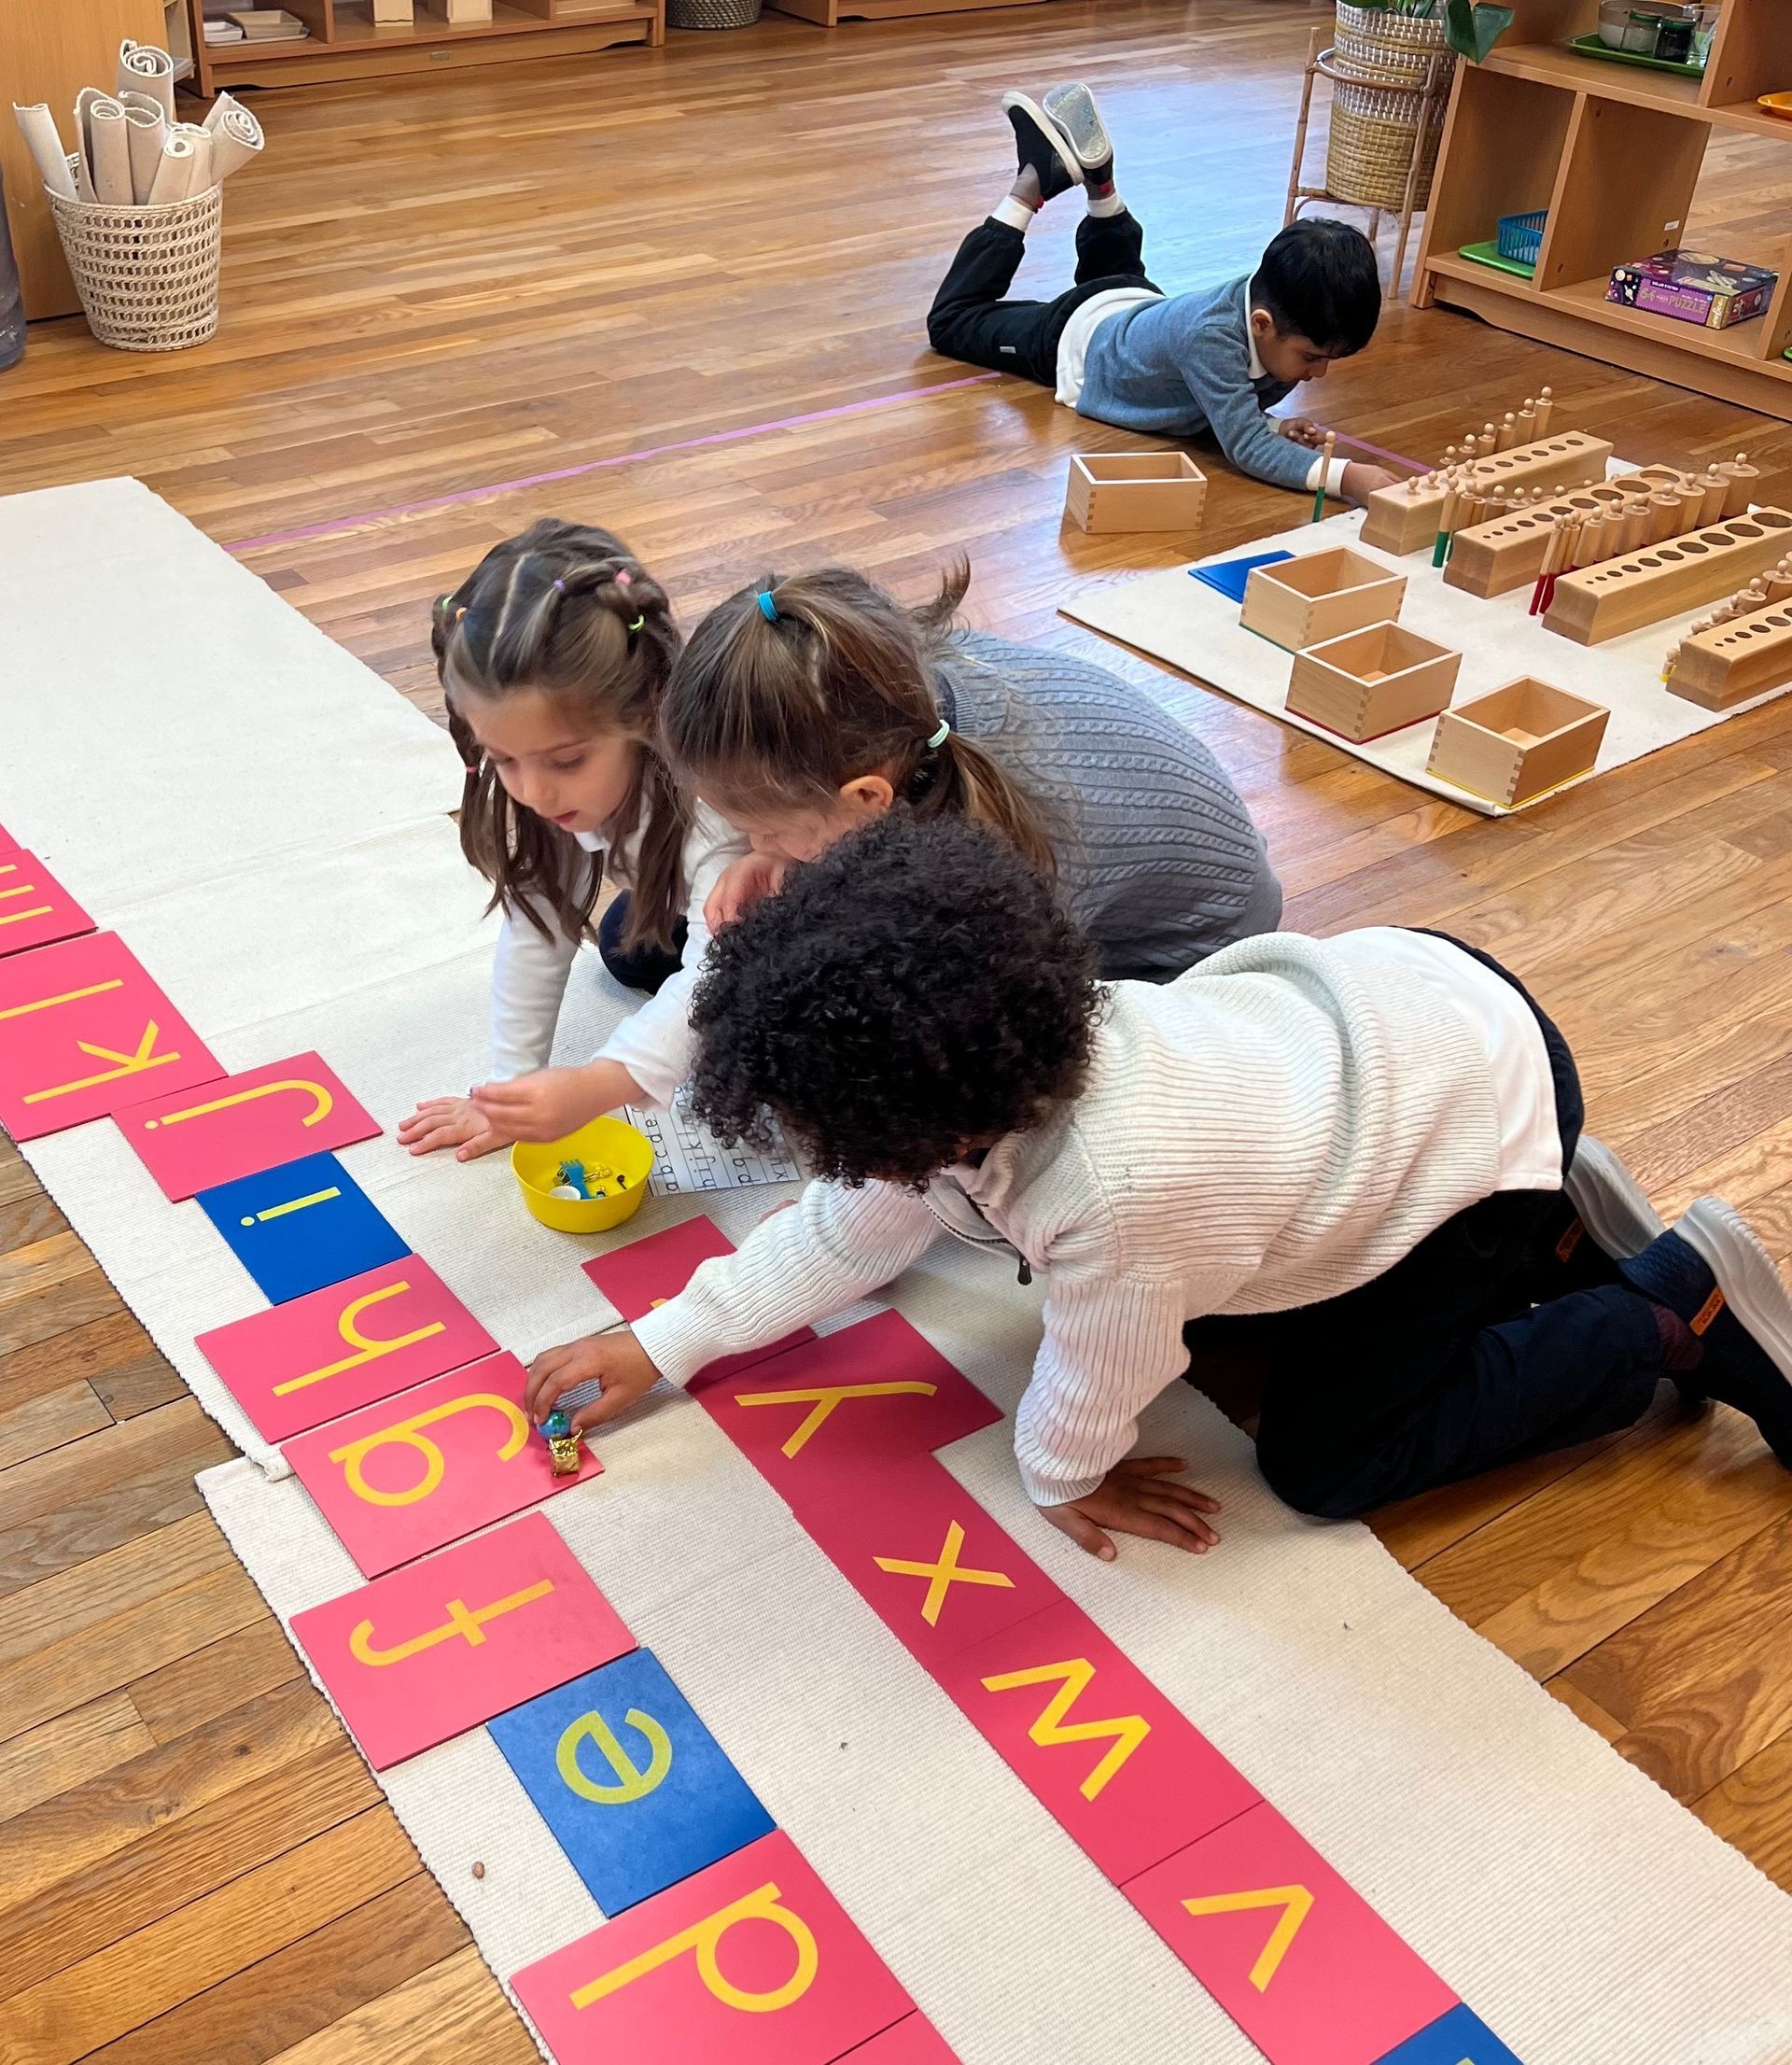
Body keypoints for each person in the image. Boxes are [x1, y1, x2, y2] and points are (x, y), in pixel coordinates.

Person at [524, 815, 1792, 1560]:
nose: (821, 1163)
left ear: (926, 1130)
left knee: (1325, 1461)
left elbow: (1097, 1379)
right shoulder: (984, 1069)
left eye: (831, 1137)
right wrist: (667, 1342)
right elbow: (849, 1232)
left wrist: (1062, 1476)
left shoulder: (1111, 1196)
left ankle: (1658, 1304)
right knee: (1236, 1331)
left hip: (1468, 1107)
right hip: (1408, 1023)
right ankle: (1545, 1235)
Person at [664, 561, 1280, 983]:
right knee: (649, 943)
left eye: (766, 828)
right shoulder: (884, 698)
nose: (754, 842)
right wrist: (782, 856)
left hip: (1196, 956)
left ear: (868, 796)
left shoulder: (1009, 854)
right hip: (1093, 872)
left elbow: (1005, 1032)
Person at [397, 520, 749, 1163]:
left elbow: (718, 970)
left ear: (646, 710)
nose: (534, 792)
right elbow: (537, 929)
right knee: (627, 945)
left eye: (564, 762)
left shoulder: (713, 803)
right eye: (503, 759)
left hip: (826, 910)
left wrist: (600, 1084)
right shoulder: (543, 778)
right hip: (708, 903)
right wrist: (508, 1092)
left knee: (768, 1050)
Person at [925, 82, 1398, 505]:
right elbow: (1245, 448)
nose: (1319, 373)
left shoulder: (1271, 308)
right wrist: (1347, 478)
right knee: (951, 322)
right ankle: (1032, 181)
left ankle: (1100, 182)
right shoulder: (1212, 339)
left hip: (1138, 309)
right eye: (1313, 357)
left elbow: (1225, 409)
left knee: (1114, 276)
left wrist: (1273, 425)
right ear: (1261, 323)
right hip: (1072, 338)